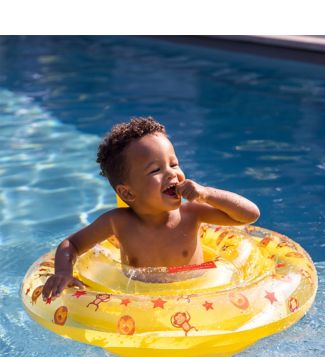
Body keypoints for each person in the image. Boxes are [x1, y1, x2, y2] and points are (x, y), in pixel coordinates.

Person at [42, 116, 260, 301]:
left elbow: (249, 215)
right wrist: (63, 272)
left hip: (195, 295)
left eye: (173, 164)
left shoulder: (192, 213)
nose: (171, 173)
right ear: (127, 193)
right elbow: (71, 244)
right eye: (156, 169)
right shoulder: (118, 222)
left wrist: (207, 194)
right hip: (140, 301)